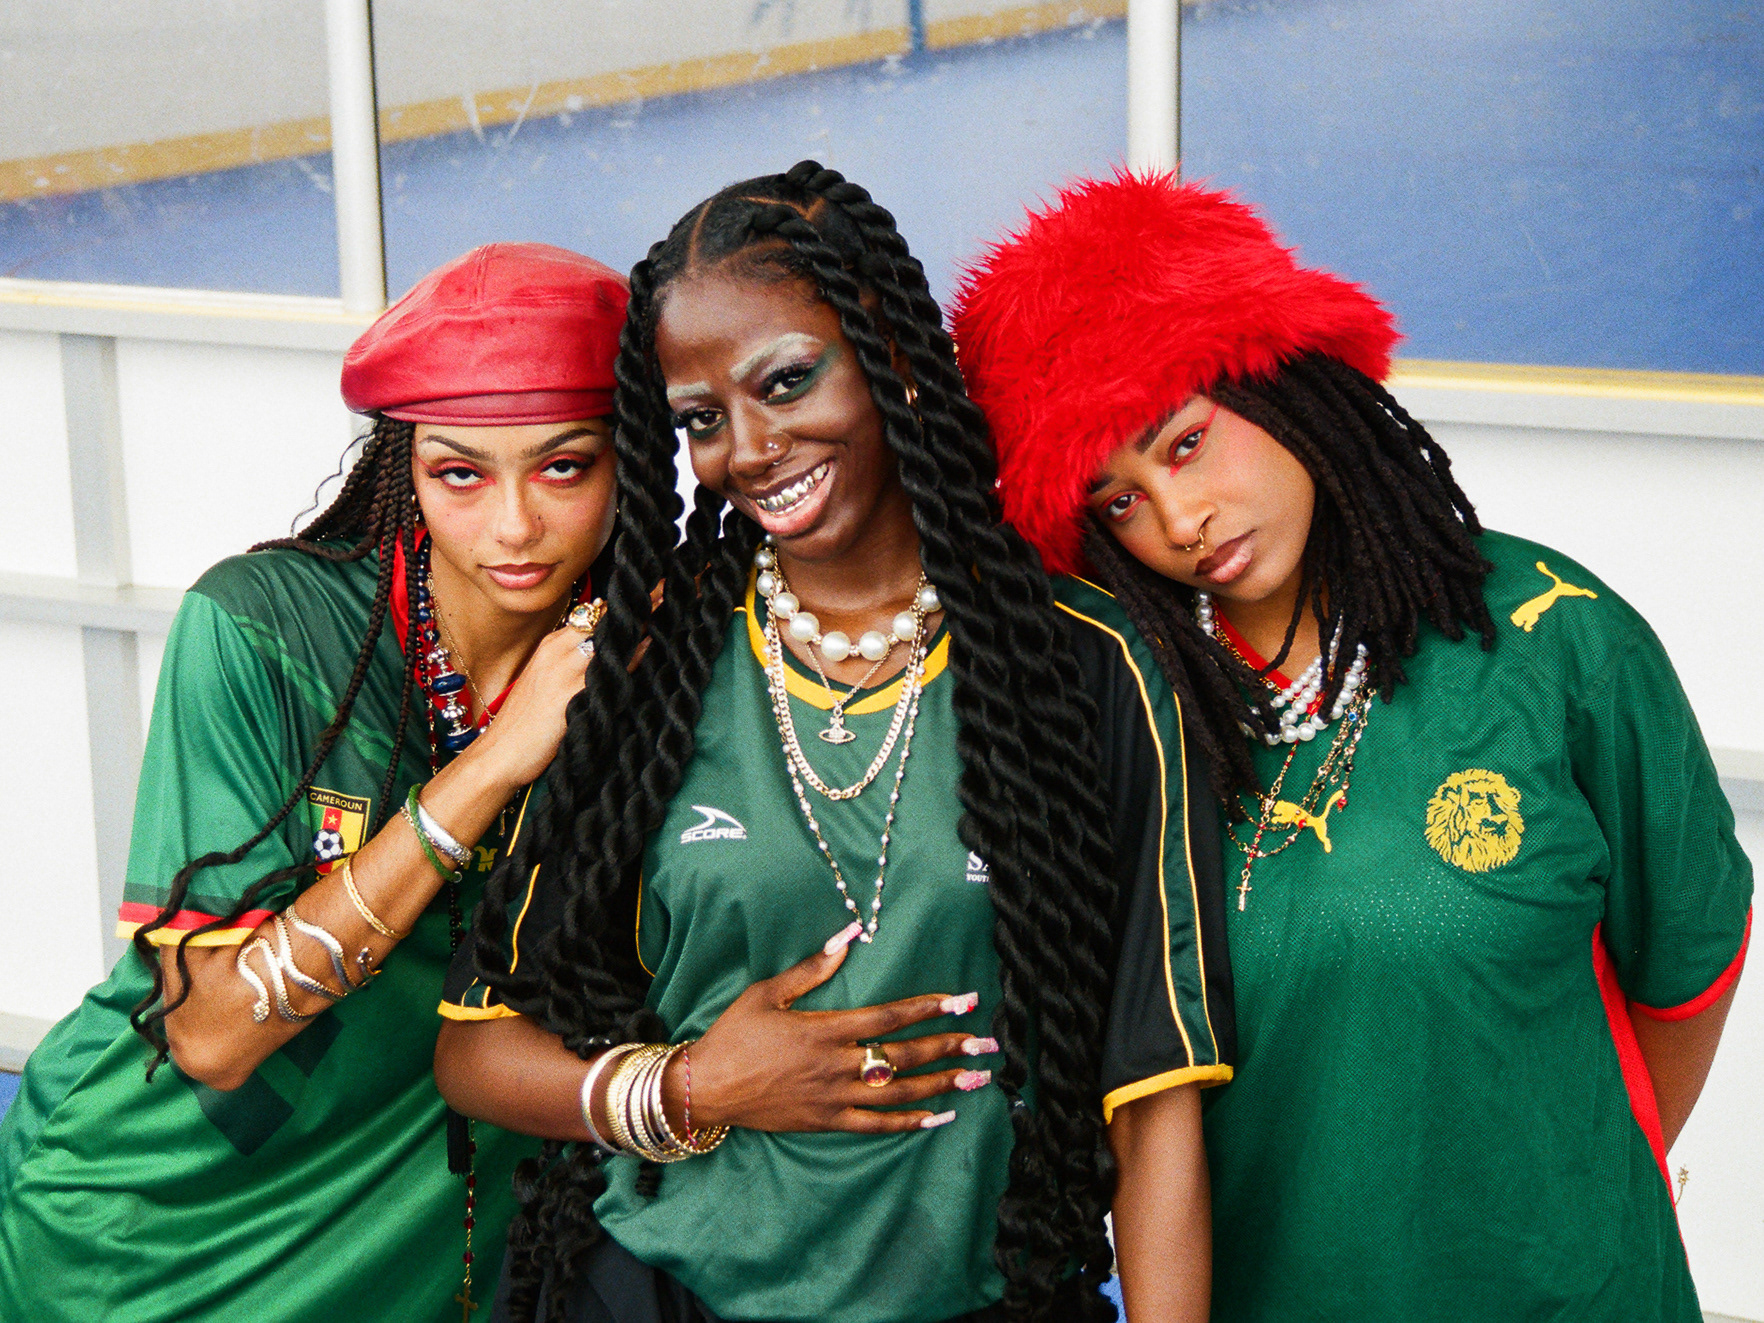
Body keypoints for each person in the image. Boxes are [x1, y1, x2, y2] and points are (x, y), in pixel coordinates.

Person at [433, 161, 1234, 1323]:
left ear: (893, 356)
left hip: (985, 1299)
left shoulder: (1083, 666)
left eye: (787, 381)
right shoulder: (647, 664)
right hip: (661, 1294)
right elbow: (476, 1047)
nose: (751, 447)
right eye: (702, 419)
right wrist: (687, 1087)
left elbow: (1155, 1101)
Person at [949, 172, 1755, 1322]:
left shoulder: (1557, 637)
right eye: (1117, 502)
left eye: (1186, 445)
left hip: (1572, 1289)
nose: (1179, 520)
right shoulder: (1121, 714)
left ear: (1282, 376)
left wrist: (1561, 1183)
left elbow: (1689, 969)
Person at [0, 243, 630, 1321]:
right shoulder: (260, 631)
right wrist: (493, 763)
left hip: (426, 1240)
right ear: (403, 469)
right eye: (461, 473)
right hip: (155, 1230)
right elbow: (211, 1033)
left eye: (564, 467)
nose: (514, 523)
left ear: (632, 462)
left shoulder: (651, 659)